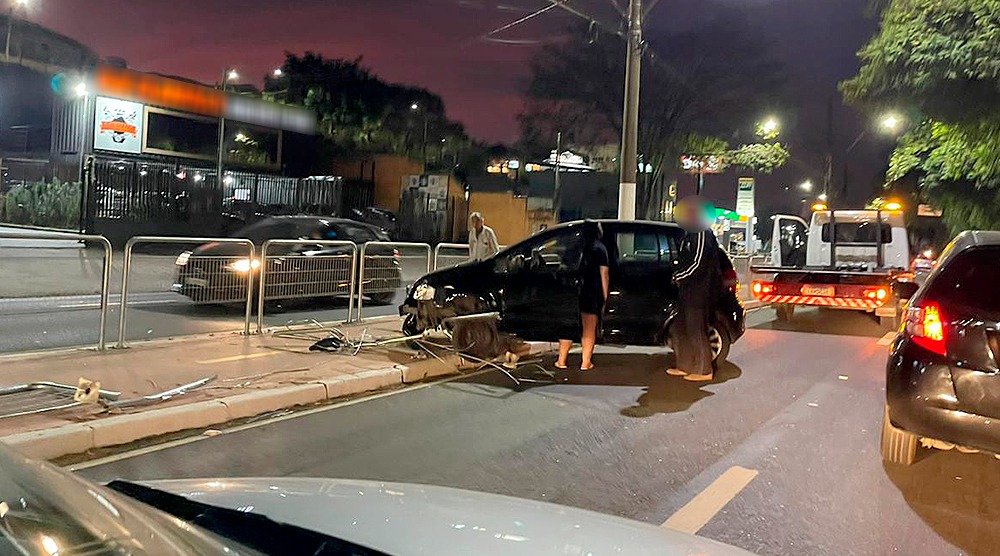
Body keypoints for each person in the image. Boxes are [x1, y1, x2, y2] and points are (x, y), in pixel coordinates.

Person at [667, 196, 722, 382]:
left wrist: (680, 276)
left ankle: (703, 370)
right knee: (681, 328)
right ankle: (684, 365)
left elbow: (698, 263)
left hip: (699, 291)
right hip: (687, 291)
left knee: (696, 329)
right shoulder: (689, 233)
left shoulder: (701, 233)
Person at [556, 222, 610, 371]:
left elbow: (563, 268)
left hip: (573, 291)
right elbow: (604, 274)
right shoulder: (600, 248)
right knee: (589, 328)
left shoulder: (573, 247)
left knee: (569, 326)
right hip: (592, 291)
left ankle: (561, 360)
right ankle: (585, 362)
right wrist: (605, 296)